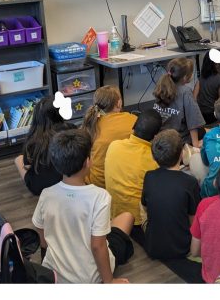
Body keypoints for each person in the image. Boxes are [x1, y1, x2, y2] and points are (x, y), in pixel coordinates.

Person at [32, 127, 134, 284]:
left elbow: (41, 232)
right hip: (89, 277)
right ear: (88, 162)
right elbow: (97, 246)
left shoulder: (46, 194)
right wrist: (109, 281)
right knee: (127, 217)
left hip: (54, 273)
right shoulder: (100, 197)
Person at [141, 129, 201, 273]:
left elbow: (145, 206)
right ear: (181, 154)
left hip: (152, 246)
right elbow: (194, 221)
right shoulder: (190, 182)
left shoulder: (149, 176)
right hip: (182, 248)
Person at [104, 109, 162, 223]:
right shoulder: (154, 159)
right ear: (156, 136)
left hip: (114, 214)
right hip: (140, 220)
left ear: (133, 126)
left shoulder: (114, 146)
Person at [14, 96, 71, 196]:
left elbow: (27, 166)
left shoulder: (33, 140)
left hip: (40, 188)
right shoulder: (71, 129)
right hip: (67, 183)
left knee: (18, 159)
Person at [82, 86, 135, 188]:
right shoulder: (132, 120)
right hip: (122, 182)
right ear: (119, 103)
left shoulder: (90, 123)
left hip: (96, 183)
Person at [152, 57, 205, 147]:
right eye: (192, 73)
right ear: (185, 77)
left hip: (161, 136)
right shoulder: (186, 92)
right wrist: (195, 144)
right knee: (202, 131)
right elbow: (193, 120)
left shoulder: (162, 86)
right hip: (178, 138)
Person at [194, 50, 220, 125]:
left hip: (201, 115)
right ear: (216, 63)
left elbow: (195, 98)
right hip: (213, 116)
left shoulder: (201, 78)